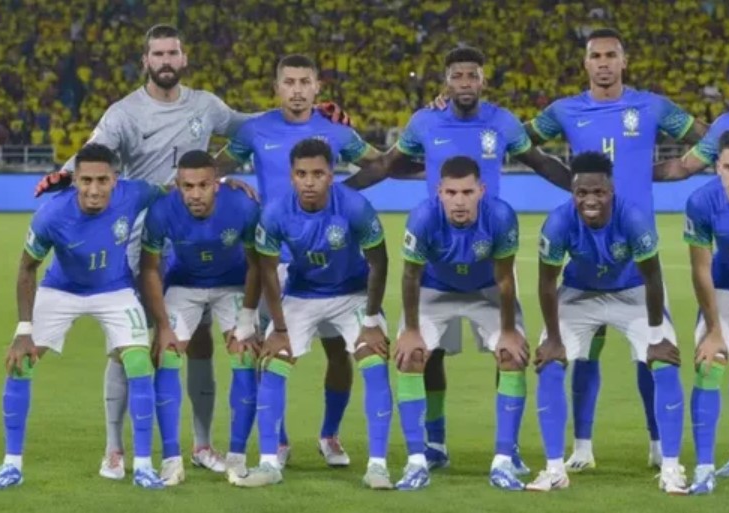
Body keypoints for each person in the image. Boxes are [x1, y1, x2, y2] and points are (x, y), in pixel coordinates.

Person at [33, 25, 349, 478]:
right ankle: (114, 448)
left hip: (195, 235)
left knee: (199, 344)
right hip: (140, 239)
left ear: (183, 59)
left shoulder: (205, 105)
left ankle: (201, 445)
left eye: (172, 53)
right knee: (129, 345)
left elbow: (253, 124)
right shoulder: (124, 113)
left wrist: (310, 113)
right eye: (158, 54)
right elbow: (91, 152)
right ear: (146, 60)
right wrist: (63, 177)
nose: (165, 61)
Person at [349, 46, 572, 478]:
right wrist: (343, 190)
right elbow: (388, 165)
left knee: (509, 351)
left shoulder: (503, 122)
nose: (465, 83)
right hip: (437, 264)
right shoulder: (425, 121)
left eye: (472, 75)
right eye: (457, 76)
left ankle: (507, 451)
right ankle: (433, 444)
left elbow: (541, 162)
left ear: (483, 80)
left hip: (489, 260)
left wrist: (583, 186)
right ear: (446, 81)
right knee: (426, 355)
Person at [526, 28, 707, 470]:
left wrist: (672, 169)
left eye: (611, 55)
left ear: (624, 62)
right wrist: (564, 177)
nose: (603, 62)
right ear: (585, 63)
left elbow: (709, 139)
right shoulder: (564, 110)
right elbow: (518, 142)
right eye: (596, 56)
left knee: (651, 355)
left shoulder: (652, 106)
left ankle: (657, 444)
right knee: (584, 355)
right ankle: (582, 448)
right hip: (584, 263)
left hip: (635, 260)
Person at [218, 54, 391, 466]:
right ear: (277, 87)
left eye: (304, 82)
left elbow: (382, 163)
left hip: (330, 258)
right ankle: (277, 441)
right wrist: (226, 180)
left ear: (317, 87)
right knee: (270, 349)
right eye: (289, 82)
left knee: (338, 353)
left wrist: (343, 191)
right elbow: (211, 169)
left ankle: (329, 434)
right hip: (274, 259)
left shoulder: (337, 131)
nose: (297, 90)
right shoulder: (255, 129)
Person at [0, 144, 165, 490]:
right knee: (20, 362)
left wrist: (226, 183)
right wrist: (24, 330)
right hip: (61, 290)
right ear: (75, 180)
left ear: (115, 180)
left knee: (139, 362)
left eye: (102, 180)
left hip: (114, 289)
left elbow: (173, 189)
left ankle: (143, 466)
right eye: (86, 181)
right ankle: (11, 465)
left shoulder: (135, 193)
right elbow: (27, 268)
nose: (94, 189)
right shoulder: (52, 215)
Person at [233, 138, 393, 489]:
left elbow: (379, 264)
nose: (309, 181)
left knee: (373, 357)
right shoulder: (275, 212)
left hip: (352, 293)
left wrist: (371, 322)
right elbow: (267, 270)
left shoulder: (354, 206)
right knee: (274, 360)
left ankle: (377, 466)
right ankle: (269, 463)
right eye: (302, 174)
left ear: (331, 175)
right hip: (302, 293)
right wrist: (278, 329)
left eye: (318, 174)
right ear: (291, 175)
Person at [529, 151, 686, 495]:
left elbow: (653, 277)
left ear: (611, 191)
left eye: (598, 192)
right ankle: (554, 469)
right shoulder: (557, 223)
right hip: (579, 294)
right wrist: (553, 338)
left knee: (664, 362)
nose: (590, 200)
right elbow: (546, 283)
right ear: (573, 192)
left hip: (633, 292)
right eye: (582, 193)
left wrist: (656, 336)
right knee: (549, 364)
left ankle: (671, 467)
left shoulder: (634, 218)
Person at [394, 156, 526, 491]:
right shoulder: (423, 217)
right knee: (411, 357)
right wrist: (411, 332)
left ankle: (505, 459)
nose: (459, 201)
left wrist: (508, 332)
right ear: (439, 192)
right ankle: (422, 457)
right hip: (434, 289)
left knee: (512, 356)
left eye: (467, 192)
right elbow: (410, 276)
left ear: (482, 190)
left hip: (486, 290)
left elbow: (505, 278)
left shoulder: (500, 216)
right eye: (451, 192)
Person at [139, 150, 261, 485]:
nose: (195, 194)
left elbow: (257, 264)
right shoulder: (161, 211)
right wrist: (163, 326)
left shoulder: (243, 206)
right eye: (188, 186)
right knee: (166, 355)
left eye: (203, 185)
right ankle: (171, 460)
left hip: (232, 285)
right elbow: (149, 269)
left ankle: (237, 459)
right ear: (177, 185)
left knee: (245, 354)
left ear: (216, 183)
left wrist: (247, 318)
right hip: (184, 285)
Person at [683, 129, 729, 494]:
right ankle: (704, 468)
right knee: (710, 364)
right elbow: (700, 270)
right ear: (717, 167)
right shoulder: (702, 201)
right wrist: (714, 330)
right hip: (723, 292)